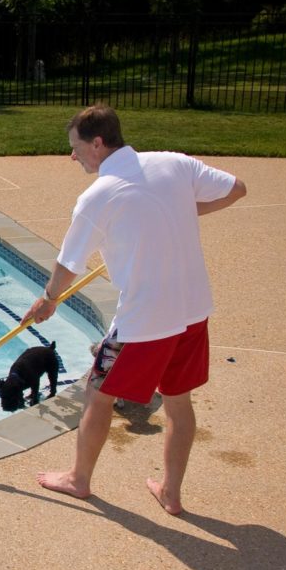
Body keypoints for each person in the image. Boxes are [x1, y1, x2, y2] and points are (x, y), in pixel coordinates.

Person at [23, 104, 247, 515]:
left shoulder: (97, 196)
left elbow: (66, 267)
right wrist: (182, 210)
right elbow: (236, 189)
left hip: (144, 322)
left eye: (75, 148)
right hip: (194, 310)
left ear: (97, 143)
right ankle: (171, 493)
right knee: (179, 403)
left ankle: (78, 479)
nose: (72, 157)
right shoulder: (173, 164)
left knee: (98, 394)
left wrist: (48, 301)